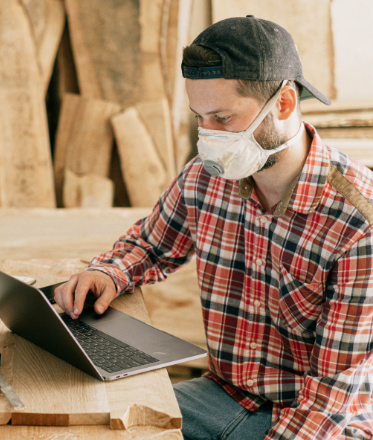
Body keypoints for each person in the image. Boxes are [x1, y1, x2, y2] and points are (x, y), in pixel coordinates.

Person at [54, 15, 373, 440]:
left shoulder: (357, 221)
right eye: (198, 117)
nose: (208, 136)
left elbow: (332, 394)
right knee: (97, 427)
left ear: (284, 104)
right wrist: (107, 272)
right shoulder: (207, 177)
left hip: (322, 419)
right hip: (225, 395)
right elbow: (150, 247)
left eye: (222, 118)